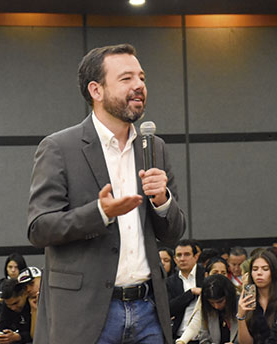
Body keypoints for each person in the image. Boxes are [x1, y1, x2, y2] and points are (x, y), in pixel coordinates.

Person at [27, 43, 186, 344]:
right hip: (87, 316)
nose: (139, 85)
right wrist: (100, 213)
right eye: (126, 79)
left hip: (148, 310)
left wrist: (163, 201)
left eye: (142, 77)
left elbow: (172, 233)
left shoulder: (153, 147)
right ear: (96, 91)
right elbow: (39, 228)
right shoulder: (60, 148)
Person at [237, 250, 277, 344]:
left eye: (265, 269)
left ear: (273, 271)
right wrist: (241, 316)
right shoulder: (247, 299)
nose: (259, 273)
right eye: (255, 269)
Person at [175, 257, 231, 344]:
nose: (219, 276)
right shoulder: (205, 295)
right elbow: (196, 322)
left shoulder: (236, 296)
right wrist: (182, 341)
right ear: (206, 275)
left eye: (223, 273)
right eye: (215, 273)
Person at [167, 239, 206, 339]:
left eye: (187, 254)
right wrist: (191, 293)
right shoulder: (170, 281)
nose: (182, 259)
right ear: (175, 259)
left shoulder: (206, 275)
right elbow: (169, 309)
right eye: (179, 255)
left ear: (196, 257)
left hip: (205, 337)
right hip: (179, 336)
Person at [199, 274, 240, 344]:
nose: (216, 306)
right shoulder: (207, 308)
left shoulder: (241, 307)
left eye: (220, 302)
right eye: (212, 303)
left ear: (228, 296)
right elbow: (204, 338)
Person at [0, 278, 32, 344]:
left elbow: (39, 332)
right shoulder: (7, 304)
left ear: (24, 294)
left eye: (16, 303)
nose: (13, 308)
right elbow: (2, 325)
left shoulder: (33, 303)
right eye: (9, 305)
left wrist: (19, 337)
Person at [17, 267, 42, 339]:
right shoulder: (28, 305)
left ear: (42, 279)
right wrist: (34, 310)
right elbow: (35, 337)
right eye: (25, 288)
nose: (28, 290)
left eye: (31, 284)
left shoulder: (55, 297)